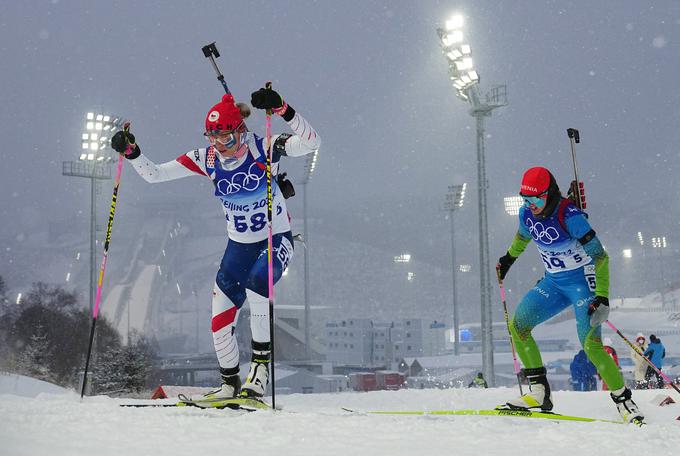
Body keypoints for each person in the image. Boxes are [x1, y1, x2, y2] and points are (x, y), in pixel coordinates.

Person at [111, 87, 320, 401]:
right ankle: (229, 383)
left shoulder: (262, 147)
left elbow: (312, 143)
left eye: (227, 138)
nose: (221, 146)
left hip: (274, 240)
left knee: (258, 282)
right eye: (213, 138)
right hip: (238, 248)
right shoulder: (206, 158)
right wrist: (132, 153)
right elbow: (154, 175)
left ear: (240, 131)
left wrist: (282, 109)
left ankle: (261, 369)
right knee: (220, 318)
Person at [496, 166, 644, 424]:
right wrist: (509, 259)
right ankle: (539, 393)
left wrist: (602, 296)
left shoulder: (570, 215)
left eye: (536, 198)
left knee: (591, 345)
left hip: (581, 286)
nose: (530, 205)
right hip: (553, 283)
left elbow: (601, 256)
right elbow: (522, 237)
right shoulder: (526, 214)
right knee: (518, 326)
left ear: (549, 194)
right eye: (525, 198)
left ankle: (624, 401)